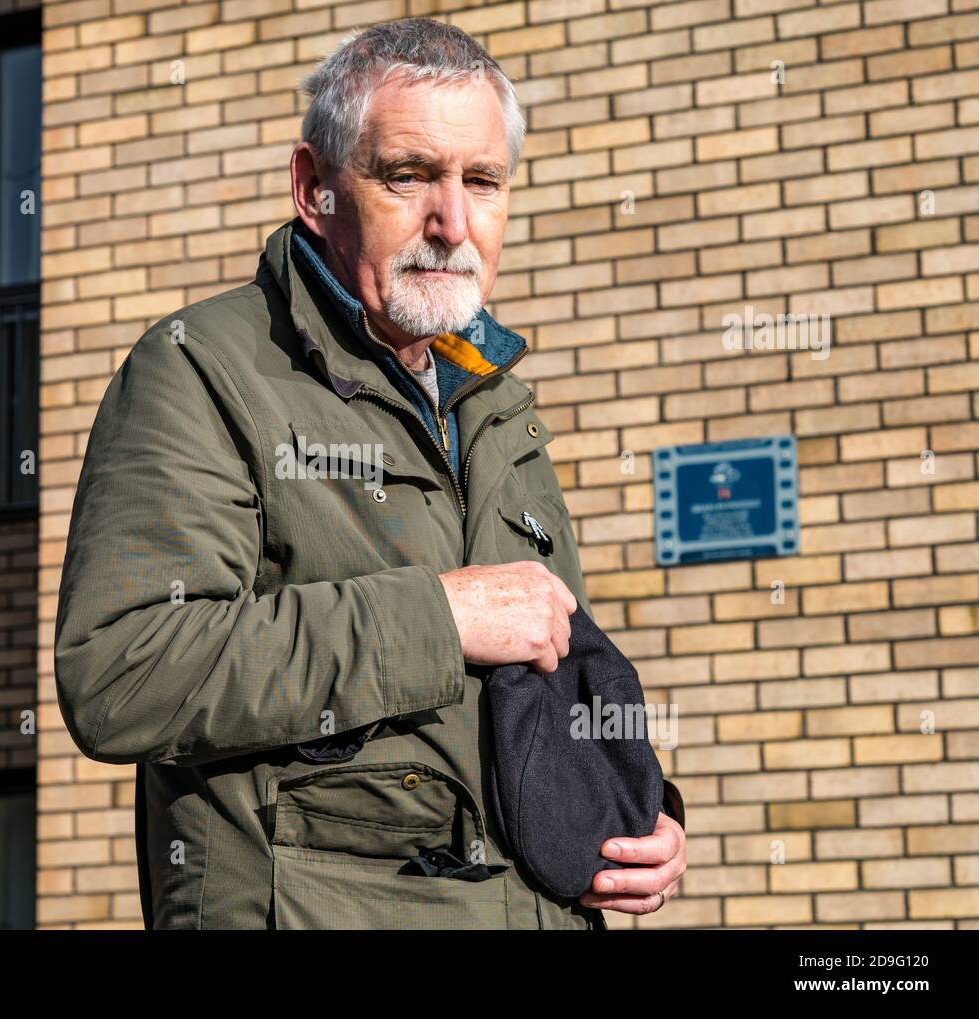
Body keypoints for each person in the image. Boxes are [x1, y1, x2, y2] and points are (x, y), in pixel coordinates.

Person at [54, 16, 686, 929]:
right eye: (410, 176)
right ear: (314, 187)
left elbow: (537, 685)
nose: (453, 222)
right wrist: (437, 616)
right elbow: (122, 670)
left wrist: (641, 811)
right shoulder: (203, 368)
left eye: (483, 181)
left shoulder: (497, 408)